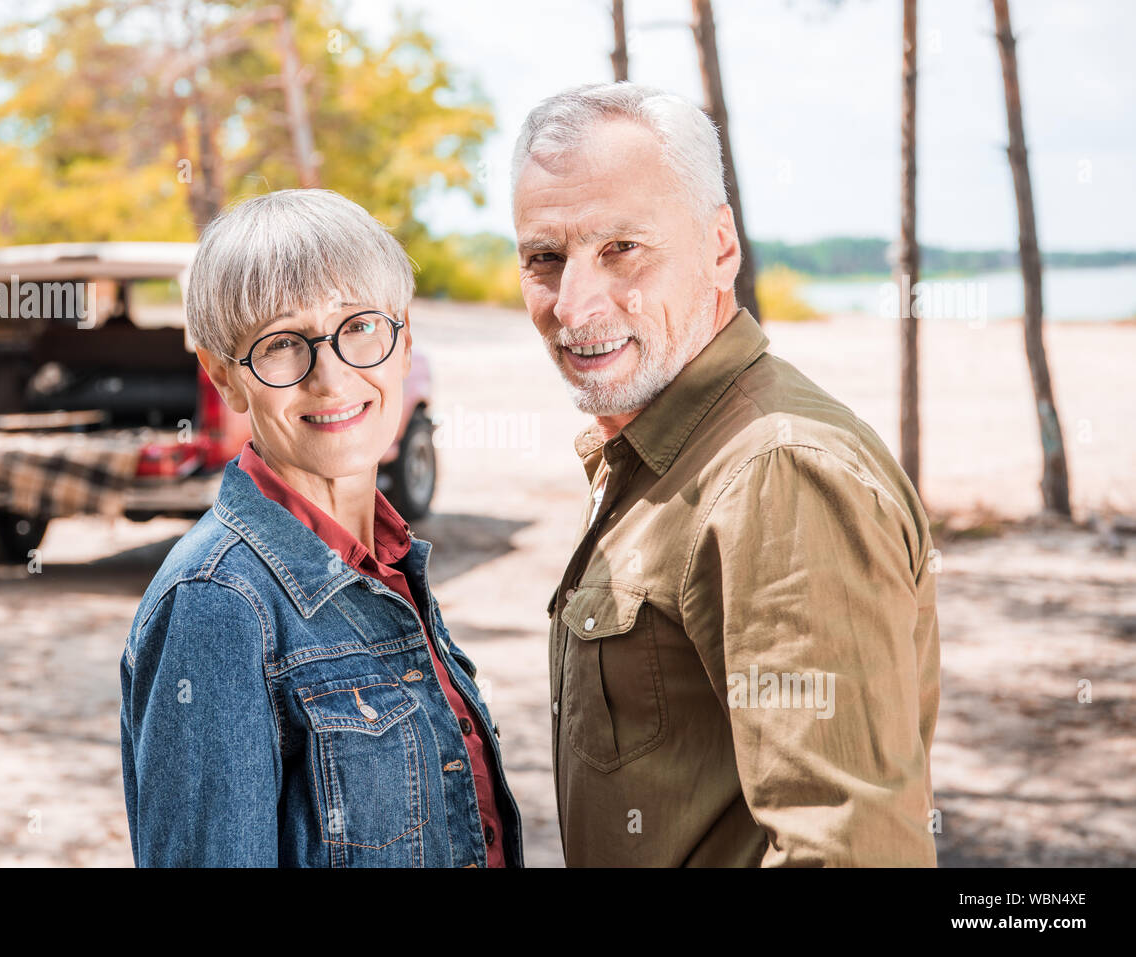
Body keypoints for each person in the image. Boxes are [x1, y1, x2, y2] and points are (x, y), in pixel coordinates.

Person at [511, 81, 940, 866]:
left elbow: (850, 850)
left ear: (720, 248)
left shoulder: (776, 473)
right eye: (545, 258)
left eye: (621, 249)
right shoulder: (656, 444)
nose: (574, 305)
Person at [119, 189, 522, 867]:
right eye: (281, 344)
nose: (333, 378)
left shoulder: (389, 567)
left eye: (360, 326)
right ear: (227, 379)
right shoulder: (216, 605)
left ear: (404, 342)